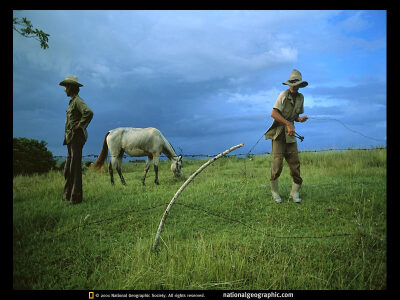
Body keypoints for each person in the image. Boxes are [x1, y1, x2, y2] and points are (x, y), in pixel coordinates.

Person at [264, 69, 308, 203]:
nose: (294, 86)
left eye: (297, 84)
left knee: (295, 163)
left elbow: (295, 116)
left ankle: (294, 193)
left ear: (300, 85)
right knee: (277, 164)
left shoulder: (301, 98)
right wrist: (288, 123)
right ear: (289, 84)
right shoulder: (283, 95)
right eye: (292, 83)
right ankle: (275, 192)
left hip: (291, 133)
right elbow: (274, 114)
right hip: (279, 133)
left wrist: (299, 120)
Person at [59, 75, 93, 205]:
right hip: (70, 138)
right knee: (68, 168)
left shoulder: (78, 101)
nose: (65, 90)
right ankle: (67, 195)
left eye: (66, 87)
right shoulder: (72, 102)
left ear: (71, 88)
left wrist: (80, 125)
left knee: (75, 169)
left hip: (76, 138)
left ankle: (75, 198)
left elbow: (89, 112)